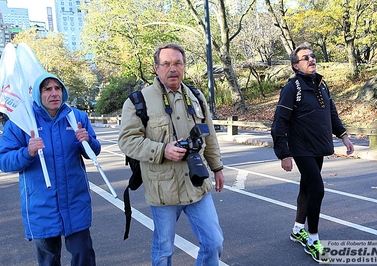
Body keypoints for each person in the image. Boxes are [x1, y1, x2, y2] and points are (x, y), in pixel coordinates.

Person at [118, 43, 225, 266]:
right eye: (166, 64)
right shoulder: (138, 101)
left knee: (214, 242)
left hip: (196, 182)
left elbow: (210, 135)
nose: (172, 68)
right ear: (156, 68)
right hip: (163, 189)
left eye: (177, 63)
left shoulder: (196, 96)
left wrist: (217, 168)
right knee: (164, 250)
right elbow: (127, 141)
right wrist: (162, 150)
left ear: (184, 66)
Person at [0, 72, 99, 266]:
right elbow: (4, 160)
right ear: (37, 93)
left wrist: (87, 141)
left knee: (83, 255)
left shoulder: (76, 117)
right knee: (49, 260)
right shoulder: (22, 122)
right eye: (48, 89)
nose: (54, 93)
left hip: (75, 202)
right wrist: (27, 152)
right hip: (41, 206)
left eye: (58, 88)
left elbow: (93, 152)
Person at [271, 42, 354, 263]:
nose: (311, 60)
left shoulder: (321, 84)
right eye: (305, 58)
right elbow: (279, 122)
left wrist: (343, 135)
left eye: (313, 56)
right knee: (317, 189)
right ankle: (313, 239)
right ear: (295, 66)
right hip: (301, 148)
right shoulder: (292, 89)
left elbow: (331, 112)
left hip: (318, 145)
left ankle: (298, 229)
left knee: (306, 187)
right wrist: (284, 153)